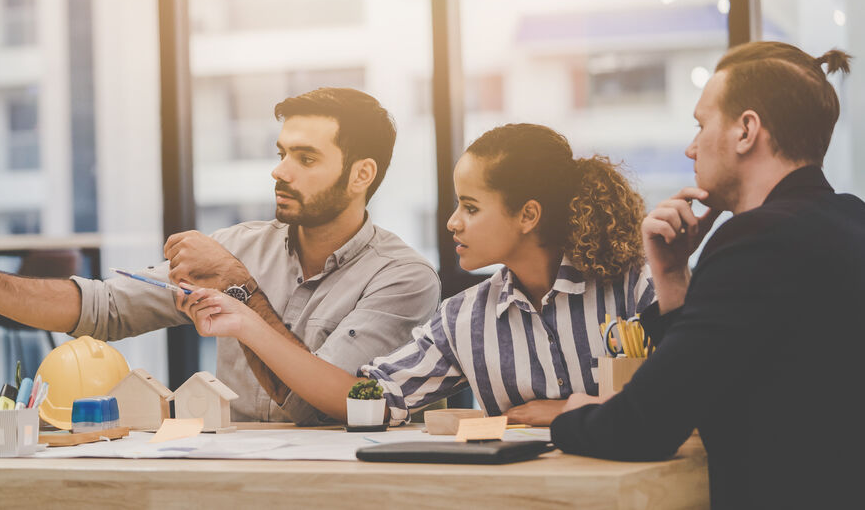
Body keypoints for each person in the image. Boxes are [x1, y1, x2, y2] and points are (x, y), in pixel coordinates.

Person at [0, 87, 440, 424]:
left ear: (361, 175)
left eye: (305, 158)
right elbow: (103, 309)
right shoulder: (240, 243)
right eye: (281, 152)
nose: (280, 171)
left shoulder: (403, 278)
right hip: (229, 479)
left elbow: (324, 404)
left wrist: (239, 291)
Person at [551, 42, 864, 509]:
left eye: (701, 124)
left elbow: (641, 428)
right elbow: (715, 384)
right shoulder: (849, 219)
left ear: (746, 131)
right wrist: (673, 277)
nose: (691, 147)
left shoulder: (757, 241)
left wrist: (569, 415)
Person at [180, 123, 655, 426]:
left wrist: (572, 411)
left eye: (470, 207)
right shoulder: (464, 318)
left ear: (527, 215)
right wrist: (246, 324)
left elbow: (694, 389)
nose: (453, 222)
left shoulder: (636, 288)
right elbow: (367, 399)